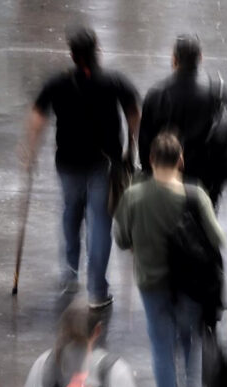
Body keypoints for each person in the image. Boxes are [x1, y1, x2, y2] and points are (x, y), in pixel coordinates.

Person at [114, 133, 224, 387]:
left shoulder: (133, 196)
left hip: (151, 284)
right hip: (190, 285)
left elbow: (121, 239)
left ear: (150, 160)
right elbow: (218, 239)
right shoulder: (195, 195)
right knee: (190, 341)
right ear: (181, 160)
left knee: (162, 349)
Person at [21, 26, 140, 309]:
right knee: (100, 222)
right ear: (97, 49)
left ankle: (70, 273)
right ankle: (98, 290)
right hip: (105, 164)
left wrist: (30, 150)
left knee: (71, 214)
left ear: (72, 54)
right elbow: (135, 113)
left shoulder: (58, 83)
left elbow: (38, 115)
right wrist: (132, 148)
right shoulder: (113, 81)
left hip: (68, 162)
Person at [138, 33, 227, 210]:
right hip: (206, 181)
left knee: (168, 231)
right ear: (200, 58)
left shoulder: (157, 94)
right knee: (203, 229)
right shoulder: (218, 93)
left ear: (174, 59)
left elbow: (145, 142)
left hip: (167, 178)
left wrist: (149, 174)